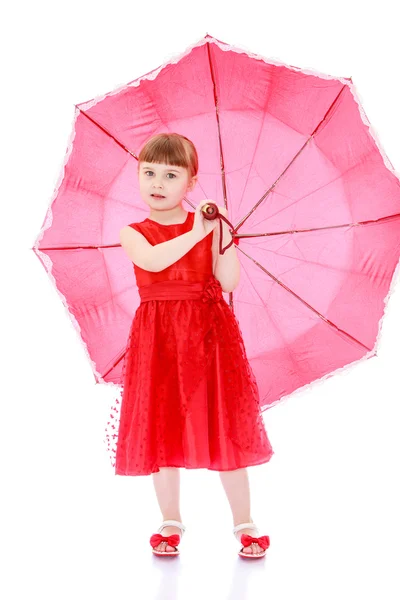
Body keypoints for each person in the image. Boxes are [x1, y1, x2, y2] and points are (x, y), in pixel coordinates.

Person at [110, 132, 274, 558]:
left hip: (207, 333)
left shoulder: (208, 227)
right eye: (149, 172)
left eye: (170, 174)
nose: (157, 182)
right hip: (159, 335)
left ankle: (244, 521)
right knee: (162, 424)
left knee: (224, 422)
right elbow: (152, 262)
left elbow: (229, 281)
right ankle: (170, 518)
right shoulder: (133, 232)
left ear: (191, 182)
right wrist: (197, 231)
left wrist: (222, 238)